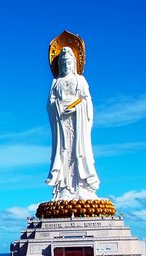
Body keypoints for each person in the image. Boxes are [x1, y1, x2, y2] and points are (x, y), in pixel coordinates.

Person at [45, 47, 100, 200]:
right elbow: (50, 102)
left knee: (79, 151)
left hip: (78, 121)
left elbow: (86, 100)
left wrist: (77, 107)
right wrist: (57, 107)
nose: (66, 66)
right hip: (61, 123)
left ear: (74, 64)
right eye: (63, 63)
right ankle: (64, 187)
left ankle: (81, 186)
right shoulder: (56, 82)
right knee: (63, 152)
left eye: (69, 63)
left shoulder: (80, 80)